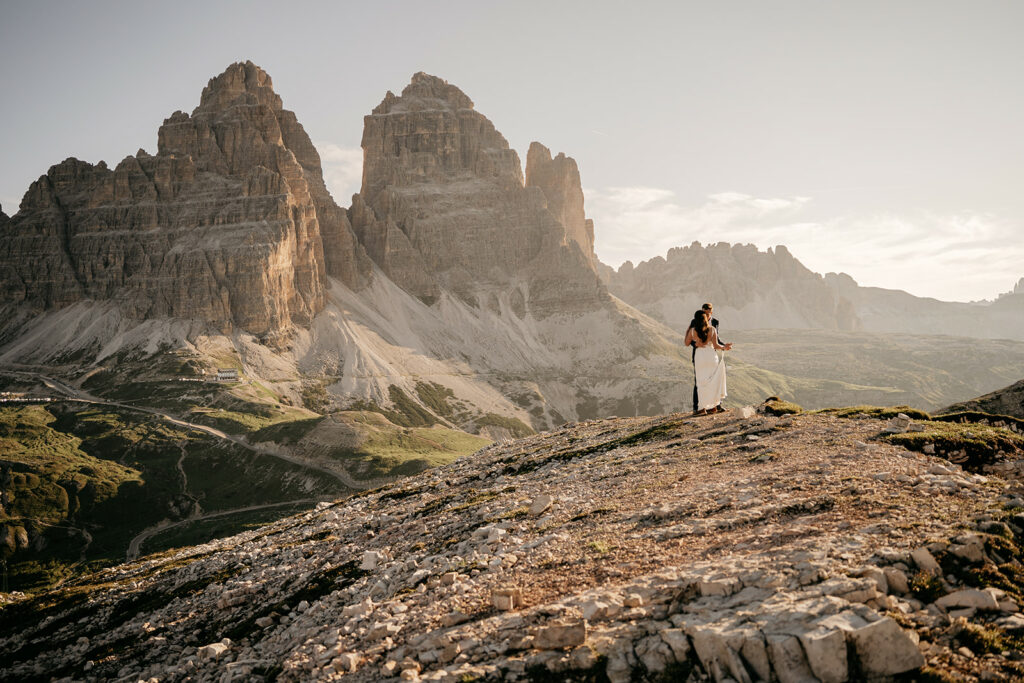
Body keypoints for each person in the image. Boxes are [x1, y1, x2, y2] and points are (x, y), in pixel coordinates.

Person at [684, 309, 729, 415]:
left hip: (700, 357)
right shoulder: (712, 329)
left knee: (701, 383)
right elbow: (717, 345)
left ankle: (701, 409)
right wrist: (725, 347)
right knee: (712, 381)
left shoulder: (693, 331)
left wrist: (696, 344)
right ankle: (713, 407)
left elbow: (686, 343)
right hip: (711, 357)